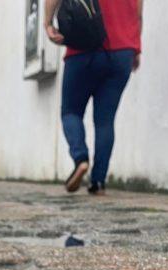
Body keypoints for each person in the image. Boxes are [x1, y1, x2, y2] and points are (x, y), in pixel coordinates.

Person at [44, 0, 143, 195]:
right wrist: (136, 48)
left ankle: (81, 159)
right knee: (105, 120)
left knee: (71, 111)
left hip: (83, 48)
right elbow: (138, 13)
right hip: (122, 51)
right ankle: (98, 182)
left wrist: (47, 23)